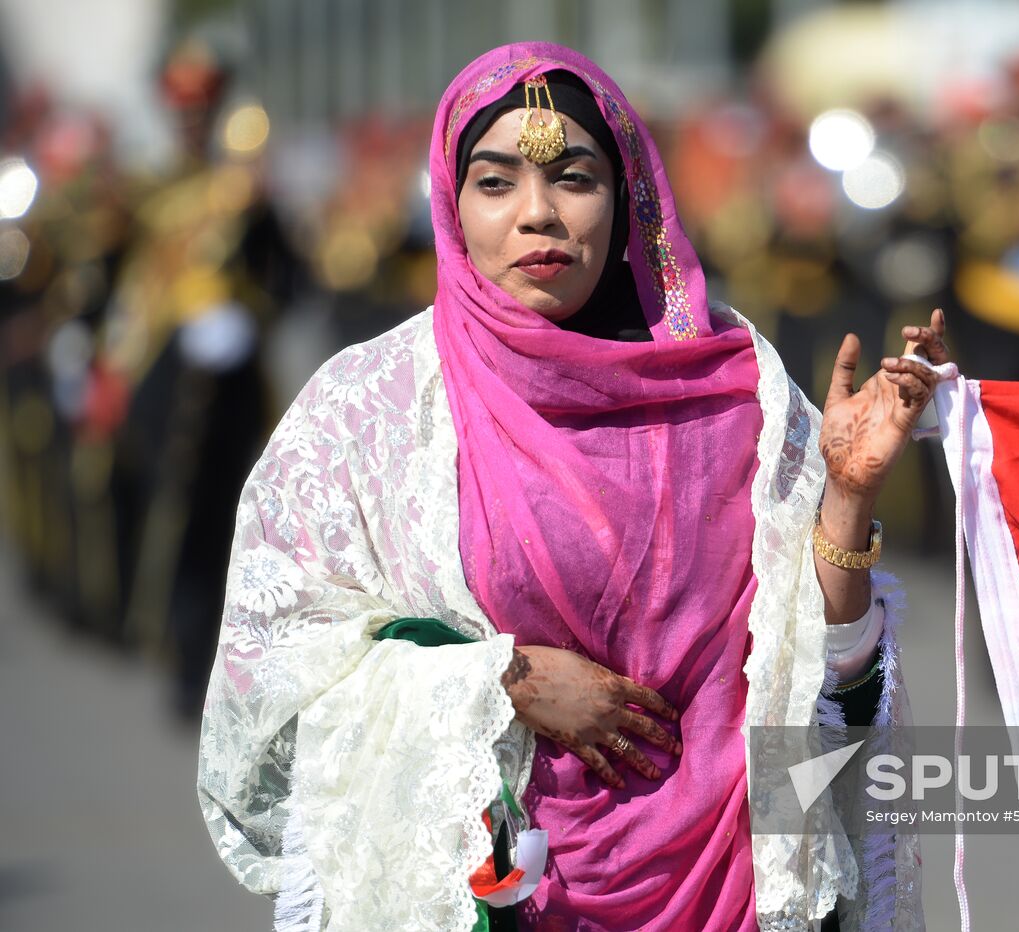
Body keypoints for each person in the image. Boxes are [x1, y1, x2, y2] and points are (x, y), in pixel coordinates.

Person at [197, 42, 947, 931]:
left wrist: (849, 499)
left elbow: (821, 683)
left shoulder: (736, 391)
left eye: (575, 179)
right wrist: (497, 681)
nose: (538, 215)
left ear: (628, 199)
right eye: (495, 182)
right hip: (496, 898)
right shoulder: (371, 410)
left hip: (733, 892)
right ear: (452, 202)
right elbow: (273, 671)